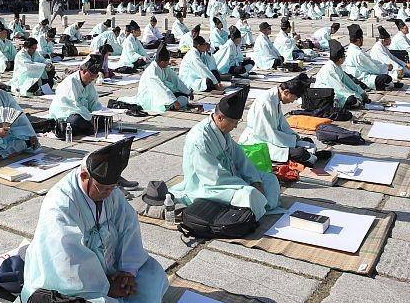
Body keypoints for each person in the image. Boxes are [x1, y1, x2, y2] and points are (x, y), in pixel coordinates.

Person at [22, 140, 168, 303]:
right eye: (103, 189)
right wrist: (106, 287)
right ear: (84, 176)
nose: (109, 193)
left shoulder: (111, 192)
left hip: (110, 268)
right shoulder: (60, 203)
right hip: (72, 280)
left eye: (113, 187)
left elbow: (129, 226)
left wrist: (127, 272)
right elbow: (66, 258)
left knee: (154, 275)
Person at [172, 87, 280, 219]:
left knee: (270, 180)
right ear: (220, 118)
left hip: (231, 177)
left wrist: (255, 180)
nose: (235, 126)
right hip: (208, 185)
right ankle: (256, 209)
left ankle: (260, 206)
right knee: (249, 194)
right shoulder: (199, 138)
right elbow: (214, 176)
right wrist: (245, 185)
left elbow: (241, 159)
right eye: (233, 122)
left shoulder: (222, 130)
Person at [239, 73, 315, 164]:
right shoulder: (265, 103)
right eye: (294, 98)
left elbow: (282, 125)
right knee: (300, 152)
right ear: (286, 92)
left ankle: (309, 155)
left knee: (307, 142)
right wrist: (291, 141)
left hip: (273, 137)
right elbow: (266, 134)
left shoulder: (275, 98)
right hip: (257, 140)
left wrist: (294, 138)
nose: (292, 101)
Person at [48, 55, 106, 136]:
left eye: (93, 79)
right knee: (77, 121)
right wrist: (90, 118)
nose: (91, 81)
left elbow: (93, 101)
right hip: (67, 112)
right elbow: (75, 106)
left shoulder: (89, 83)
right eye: (91, 78)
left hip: (83, 113)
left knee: (103, 120)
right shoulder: (70, 82)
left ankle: (89, 126)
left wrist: (99, 113)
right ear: (84, 71)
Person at [135, 45, 192, 114]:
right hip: (150, 95)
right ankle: (169, 105)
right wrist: (172, 100)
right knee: (173, 102)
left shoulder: (165, 67)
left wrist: (187, 92)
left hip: (164, 93)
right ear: (162, 62)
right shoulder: (152, 72)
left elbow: (176, 80)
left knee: (184, 98)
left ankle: (172, 104)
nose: (169, 63)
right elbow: (159, 88)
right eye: (167, 61)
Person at [313, 40, 367, 109]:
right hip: (325, 93)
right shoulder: (329, 69)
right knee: (352, 100)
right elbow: (339, 87)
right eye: (344, 56)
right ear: (340, 59)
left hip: (336, 91)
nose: (345, 57)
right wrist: (357, 96)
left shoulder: (337, 66)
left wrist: (360, 91)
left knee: (355, 98)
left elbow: (348, 81)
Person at [344, 24, 396, 91]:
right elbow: (373, 67)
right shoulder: (358, 53)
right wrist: (386, 67)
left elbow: (371, 61)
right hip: (362, 78)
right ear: (359, 40)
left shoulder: (351, 49)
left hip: (359, 74)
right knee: (386, 78)